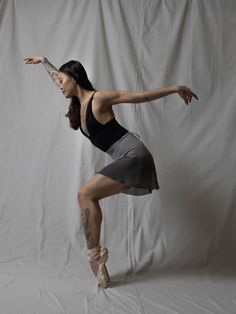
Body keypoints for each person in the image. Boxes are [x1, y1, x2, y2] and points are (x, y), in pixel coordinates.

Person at [24, 55, 198, 288]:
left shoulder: (100, 98)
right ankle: (97, 260)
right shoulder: (80, 104)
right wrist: (45, 62)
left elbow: (141, 97)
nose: (59, 85)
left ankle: (95, 258)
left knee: (84, 193)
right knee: (87, 195)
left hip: (135, 155)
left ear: (75, 78)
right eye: (58, 81)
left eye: (62, 81)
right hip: (125, 157)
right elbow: (58, 75)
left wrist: (175, 88)